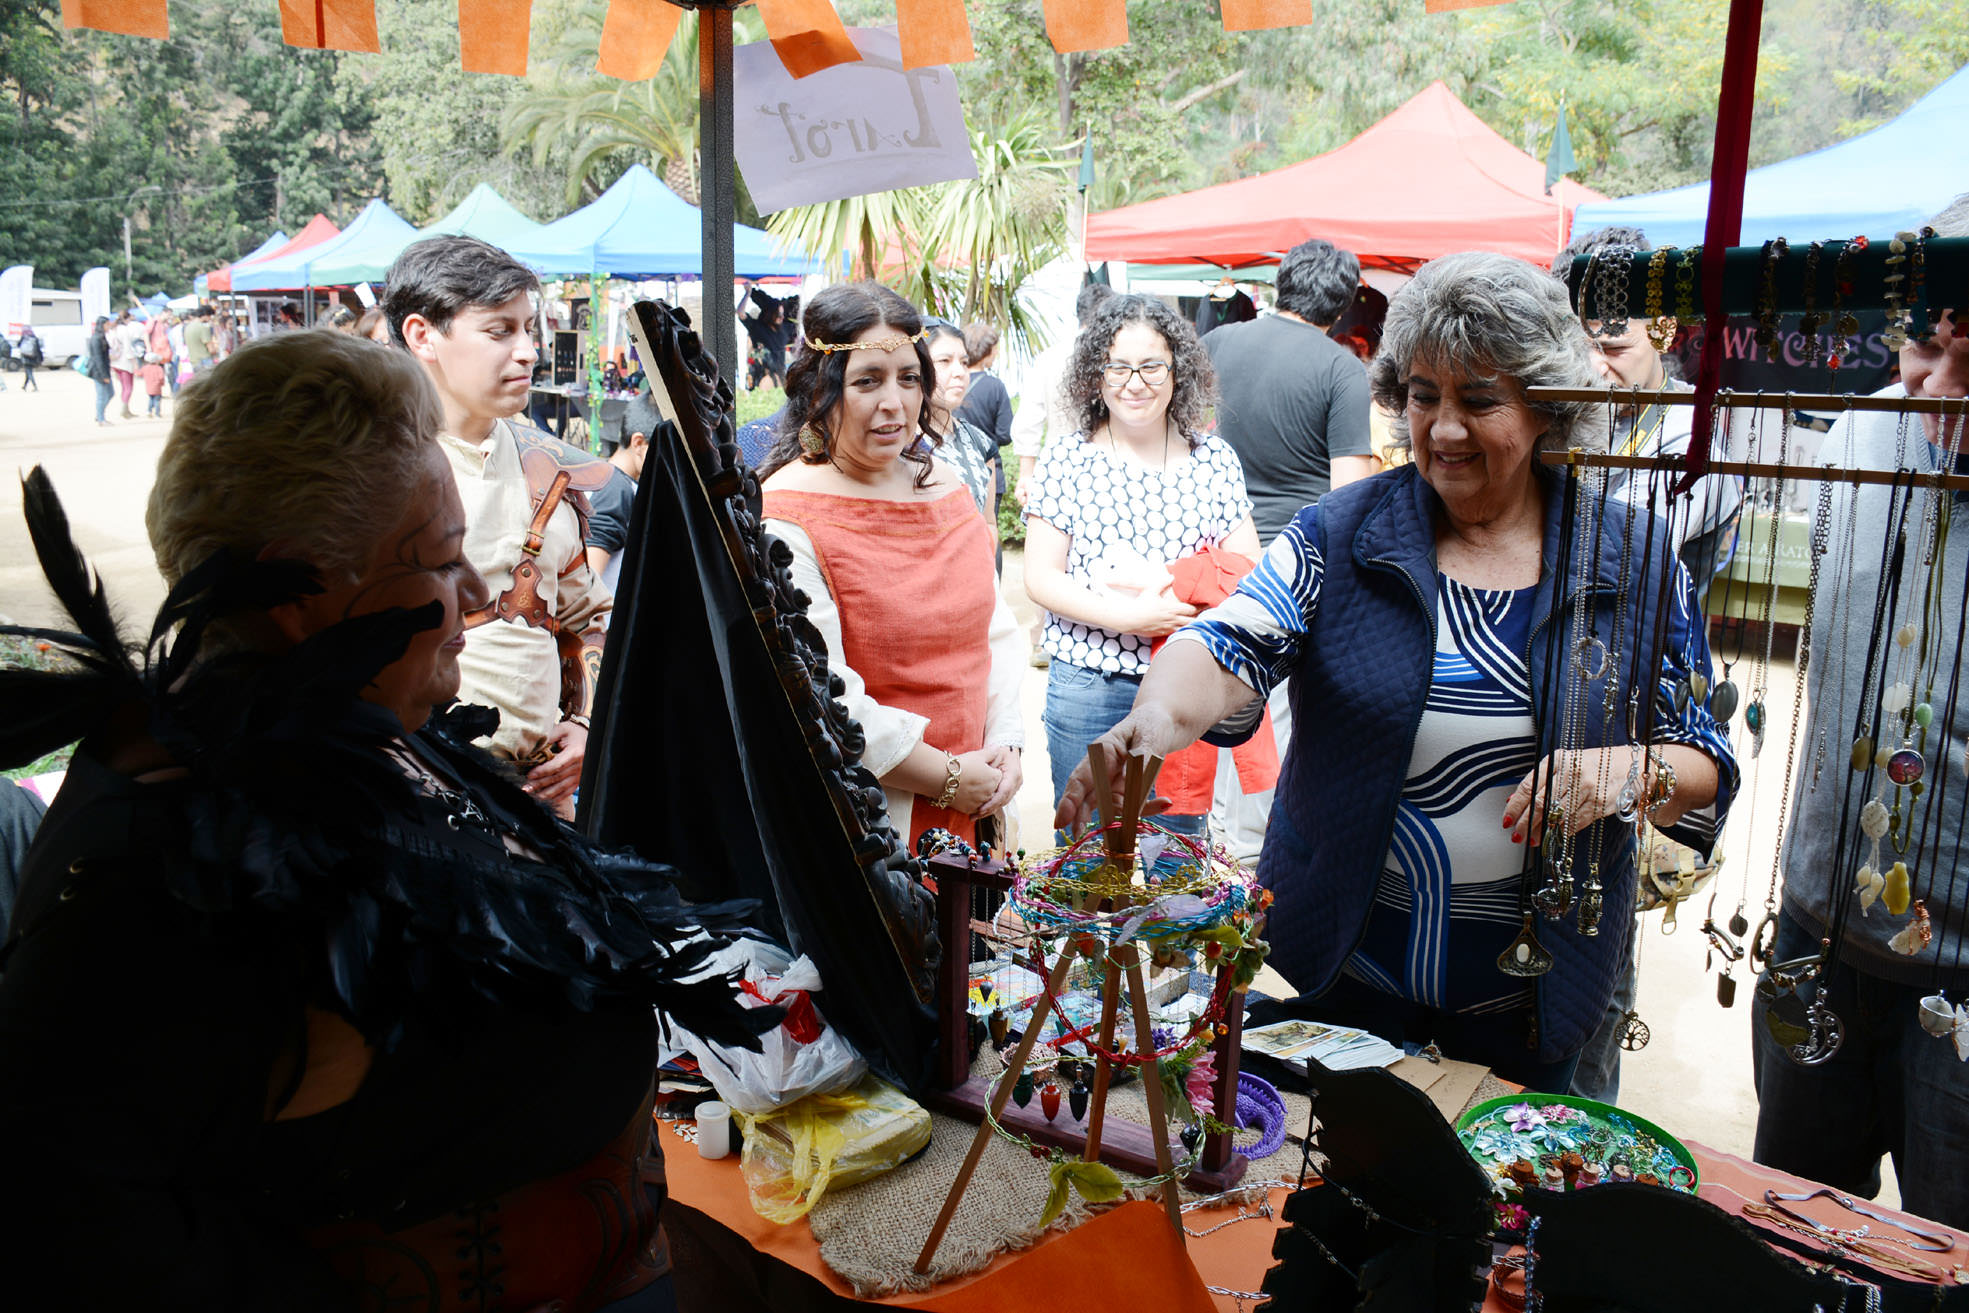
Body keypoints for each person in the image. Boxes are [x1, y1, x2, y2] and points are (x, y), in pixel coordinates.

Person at [0, 328, 768, 1309]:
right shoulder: (179, 863)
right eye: (444, 560)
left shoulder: (363, 729)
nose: (479, 594)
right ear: (300, 591)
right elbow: (71, 1219)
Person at [1056, 253, 1736, 1089]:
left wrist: (1624, 771)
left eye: (1478, 401)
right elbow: (1226, 642)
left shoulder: (1628, 555)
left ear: (1544, 409)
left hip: (1537, 996)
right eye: (1421, 396)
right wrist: (1153, 721)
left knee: (1513, 1169)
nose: (1443, 428)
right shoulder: (1343, 533)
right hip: (1341, 979)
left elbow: (1702, 755)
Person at [1753, 197, 1969, 1228]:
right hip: (1815, 931)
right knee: (1791, 1222)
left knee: (1944, 1259)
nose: (1942, 389)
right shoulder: (1861, 431)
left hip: (1960, 982)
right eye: (1927, 346)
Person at [1553, 225, 1748, 1107]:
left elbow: (1615, 535)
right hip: (1557, 714)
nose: (1594, 365)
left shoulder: (1695, 436)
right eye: (1578, 343)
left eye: (1613, 344)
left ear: (1663, 333)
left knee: (1592, 974)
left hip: (1638, 727)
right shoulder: (1576, 415)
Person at [757, 283, 1024, 852]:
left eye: (908, 378)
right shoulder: (786, 517)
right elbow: (820, 695)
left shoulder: (945, 486)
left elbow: (996, 632)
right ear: (821, 390)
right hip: (867, 822)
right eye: (867, 381)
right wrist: (949, 778)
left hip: (979, 798)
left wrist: (1006, 742)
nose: (894, 403)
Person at [384, 235, 614, 820]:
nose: (529, 351)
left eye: (529, 328)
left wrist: (585, 724)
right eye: (499, 331)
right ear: (422, 335)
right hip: (408, 805)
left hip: (542, 806)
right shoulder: (367, 469)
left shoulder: (548, 469)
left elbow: (588, 618)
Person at [1023, 292, 1259, 839]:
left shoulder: (1214, 459)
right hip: (1090, 681)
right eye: (1118, 367)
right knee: (1088, 849)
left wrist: (1175, 588)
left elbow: (1248, 565)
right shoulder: (1067, 458)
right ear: (1096, 374)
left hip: (1184, 686)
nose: (1135, 382)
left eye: (1152, 366)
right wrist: (1130, 619)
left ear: (1178, 372)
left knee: (1176, 851)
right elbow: (1040, 576)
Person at [1203, 239, 1379, 544]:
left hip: (1223, 540)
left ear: (1281, 285)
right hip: (1301, 549)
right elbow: (1349, 496)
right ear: (1342, 308)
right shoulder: (1342, 368)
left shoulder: (1217, 341)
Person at [1012, 281, 1113, 504]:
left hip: (1057, 467)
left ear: (1079, 313)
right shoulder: (1115, 357)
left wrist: (1026, 474)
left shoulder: (1049, 357)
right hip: (1106, 467)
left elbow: (1029, 419)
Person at [924, 318, 998, 518]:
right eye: (944, 361)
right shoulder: (898, 444)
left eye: (964, 362)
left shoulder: (979, 443)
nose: (959, 372)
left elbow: (989, 523)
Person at [586, 390, 655, 596]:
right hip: (606, 615)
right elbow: (588, 581)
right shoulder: (615, 489)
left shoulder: (609, 479)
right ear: (638, 443)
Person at [956, 322, 1014, 508]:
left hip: (956, 472)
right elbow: (1005, 435)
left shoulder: (952, 386)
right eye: (994, 349)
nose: (996, 354)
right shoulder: (995, 386)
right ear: (986, 352)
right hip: (988, 472)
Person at [84, 316, 113, 426]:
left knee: (110, 393)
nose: (109, 326)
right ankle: (101, 418)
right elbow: (98, 359)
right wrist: (104, 375)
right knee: (102, 395)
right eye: (107, 324)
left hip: (104, 369)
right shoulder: (96, 339)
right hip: (99, 371)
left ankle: (100, 414)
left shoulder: (101, 337)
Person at [111, 310, 140, 418]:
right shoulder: (124, 330)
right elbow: (128, 348)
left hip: (115, 361)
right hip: (125, 362)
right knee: (128, 387)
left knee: (123, 387)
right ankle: (124, 409)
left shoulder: (113, 329)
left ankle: (125, 408)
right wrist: (134, 362)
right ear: (127, 319)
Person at [182, 307, 214, 376]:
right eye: (210, 316)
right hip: (204, 361)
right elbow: (211, 349)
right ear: (205, 315)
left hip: (194, 361)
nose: (210, 318)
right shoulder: (203, 327)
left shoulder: (188, 327)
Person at [14, 324, 41, 391]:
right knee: (28, 372)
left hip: (25, 357)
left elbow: (18, 345)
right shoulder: (34, 337)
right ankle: (24, 386)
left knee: (29, 372)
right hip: (33, 357)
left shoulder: (23, 337)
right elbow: (38, 349)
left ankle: (35, 386)